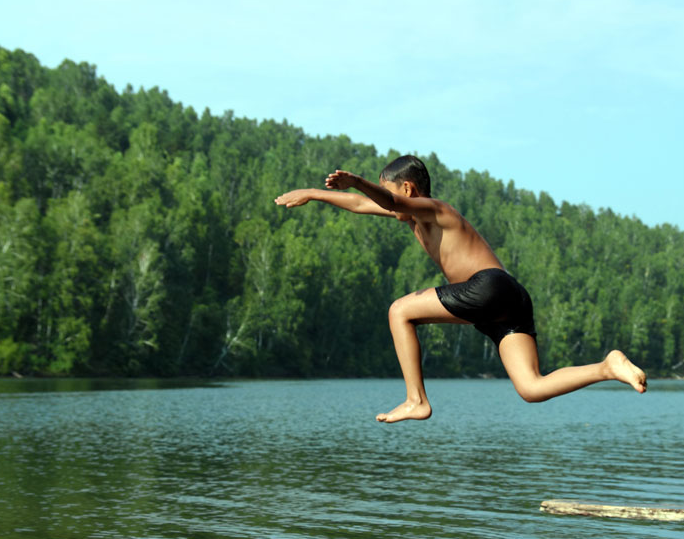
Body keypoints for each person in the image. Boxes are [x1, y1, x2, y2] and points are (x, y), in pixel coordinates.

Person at [275, 155, 646, 422]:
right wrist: (312, 192)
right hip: (508, 301)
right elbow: (360, 204)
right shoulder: (412, 216)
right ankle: (607, 367)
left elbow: (381, 199)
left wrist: (356, 178)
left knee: (399, 311)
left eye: (391, 195)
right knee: (532, 388)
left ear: (408, 188)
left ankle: (416, 400)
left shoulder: (436, 209)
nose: (386, 206)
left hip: (487, 287)